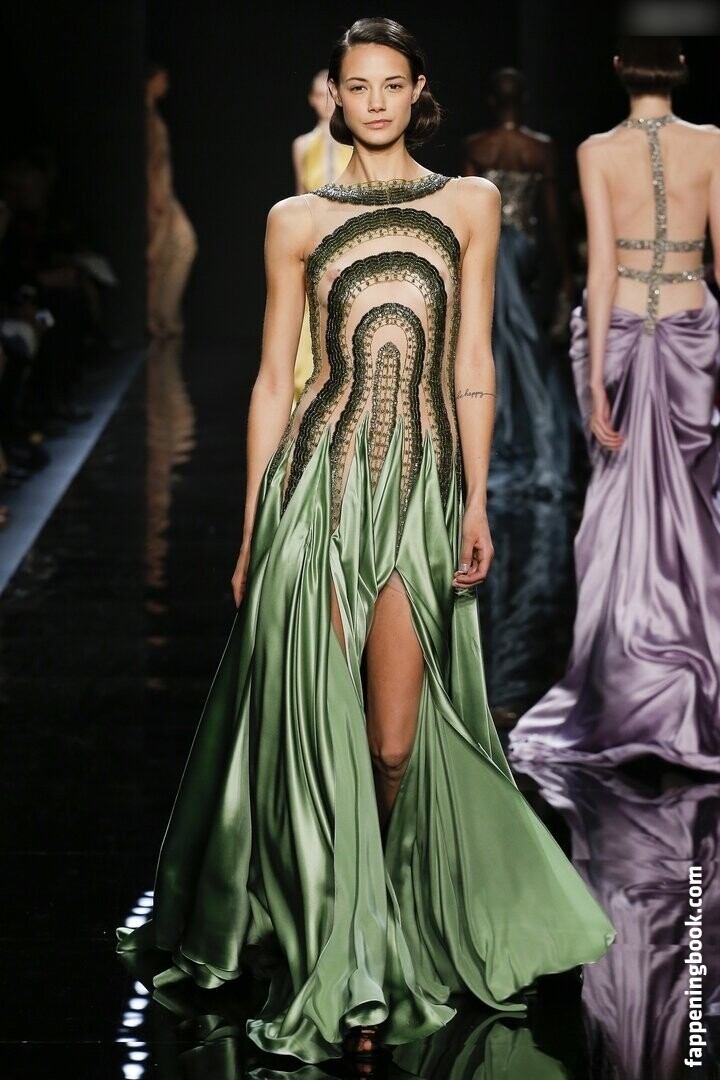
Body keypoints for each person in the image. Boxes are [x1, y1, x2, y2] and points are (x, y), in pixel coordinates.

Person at [117, 17, 614, 1066]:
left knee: (393, 744)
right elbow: (273, 381)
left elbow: (471, 363)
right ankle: (343, 946)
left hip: (419, 491)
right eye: (359, 85)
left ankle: (381, 914)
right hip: (318, 490)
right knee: (317, 726)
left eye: (393, 83)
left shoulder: (468, 204)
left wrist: (473, 501)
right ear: (335, 97)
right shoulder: (295, 218)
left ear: (419, 90)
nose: (377, 101)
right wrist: (253, 525)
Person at [509, 38, 720, 772]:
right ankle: (694, 672)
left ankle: (626, 676)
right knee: (691, 510)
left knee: (619, 514)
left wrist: (598, 375)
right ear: (679, 71)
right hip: (693, 328)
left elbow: (601, 270)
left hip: (626, 329)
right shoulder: (714, 143)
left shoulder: (597, 151)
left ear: (619, 71)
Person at [462, 68, 576, 496]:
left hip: (492, 253)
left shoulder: (477, 146)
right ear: (523, 99)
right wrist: (564, 271)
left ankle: (501, 448)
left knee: (495, 342)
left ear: (492, 101)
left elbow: (467, 216)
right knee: (518, 343)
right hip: (522, 250)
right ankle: (525, 447)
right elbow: (551, 217)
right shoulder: (539, 148)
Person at [291, 69, 353, 404]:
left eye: (330, 95)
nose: (326, 102)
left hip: (351, 241)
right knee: (309, 323)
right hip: (315, 243)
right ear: (312, 100)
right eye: (319, 95)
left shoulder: (356, 141)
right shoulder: (302, 145)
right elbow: (299, 196)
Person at [146, 62, 198, 339]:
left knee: (181, 244)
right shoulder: (145, 118)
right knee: (156, 257)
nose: (165, 83)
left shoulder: (151, 115)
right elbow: (149, 161)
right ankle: (154, 318)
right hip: (157, 196)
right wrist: (155, 194)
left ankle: (163, 315)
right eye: (162, 77)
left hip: (163, 194)